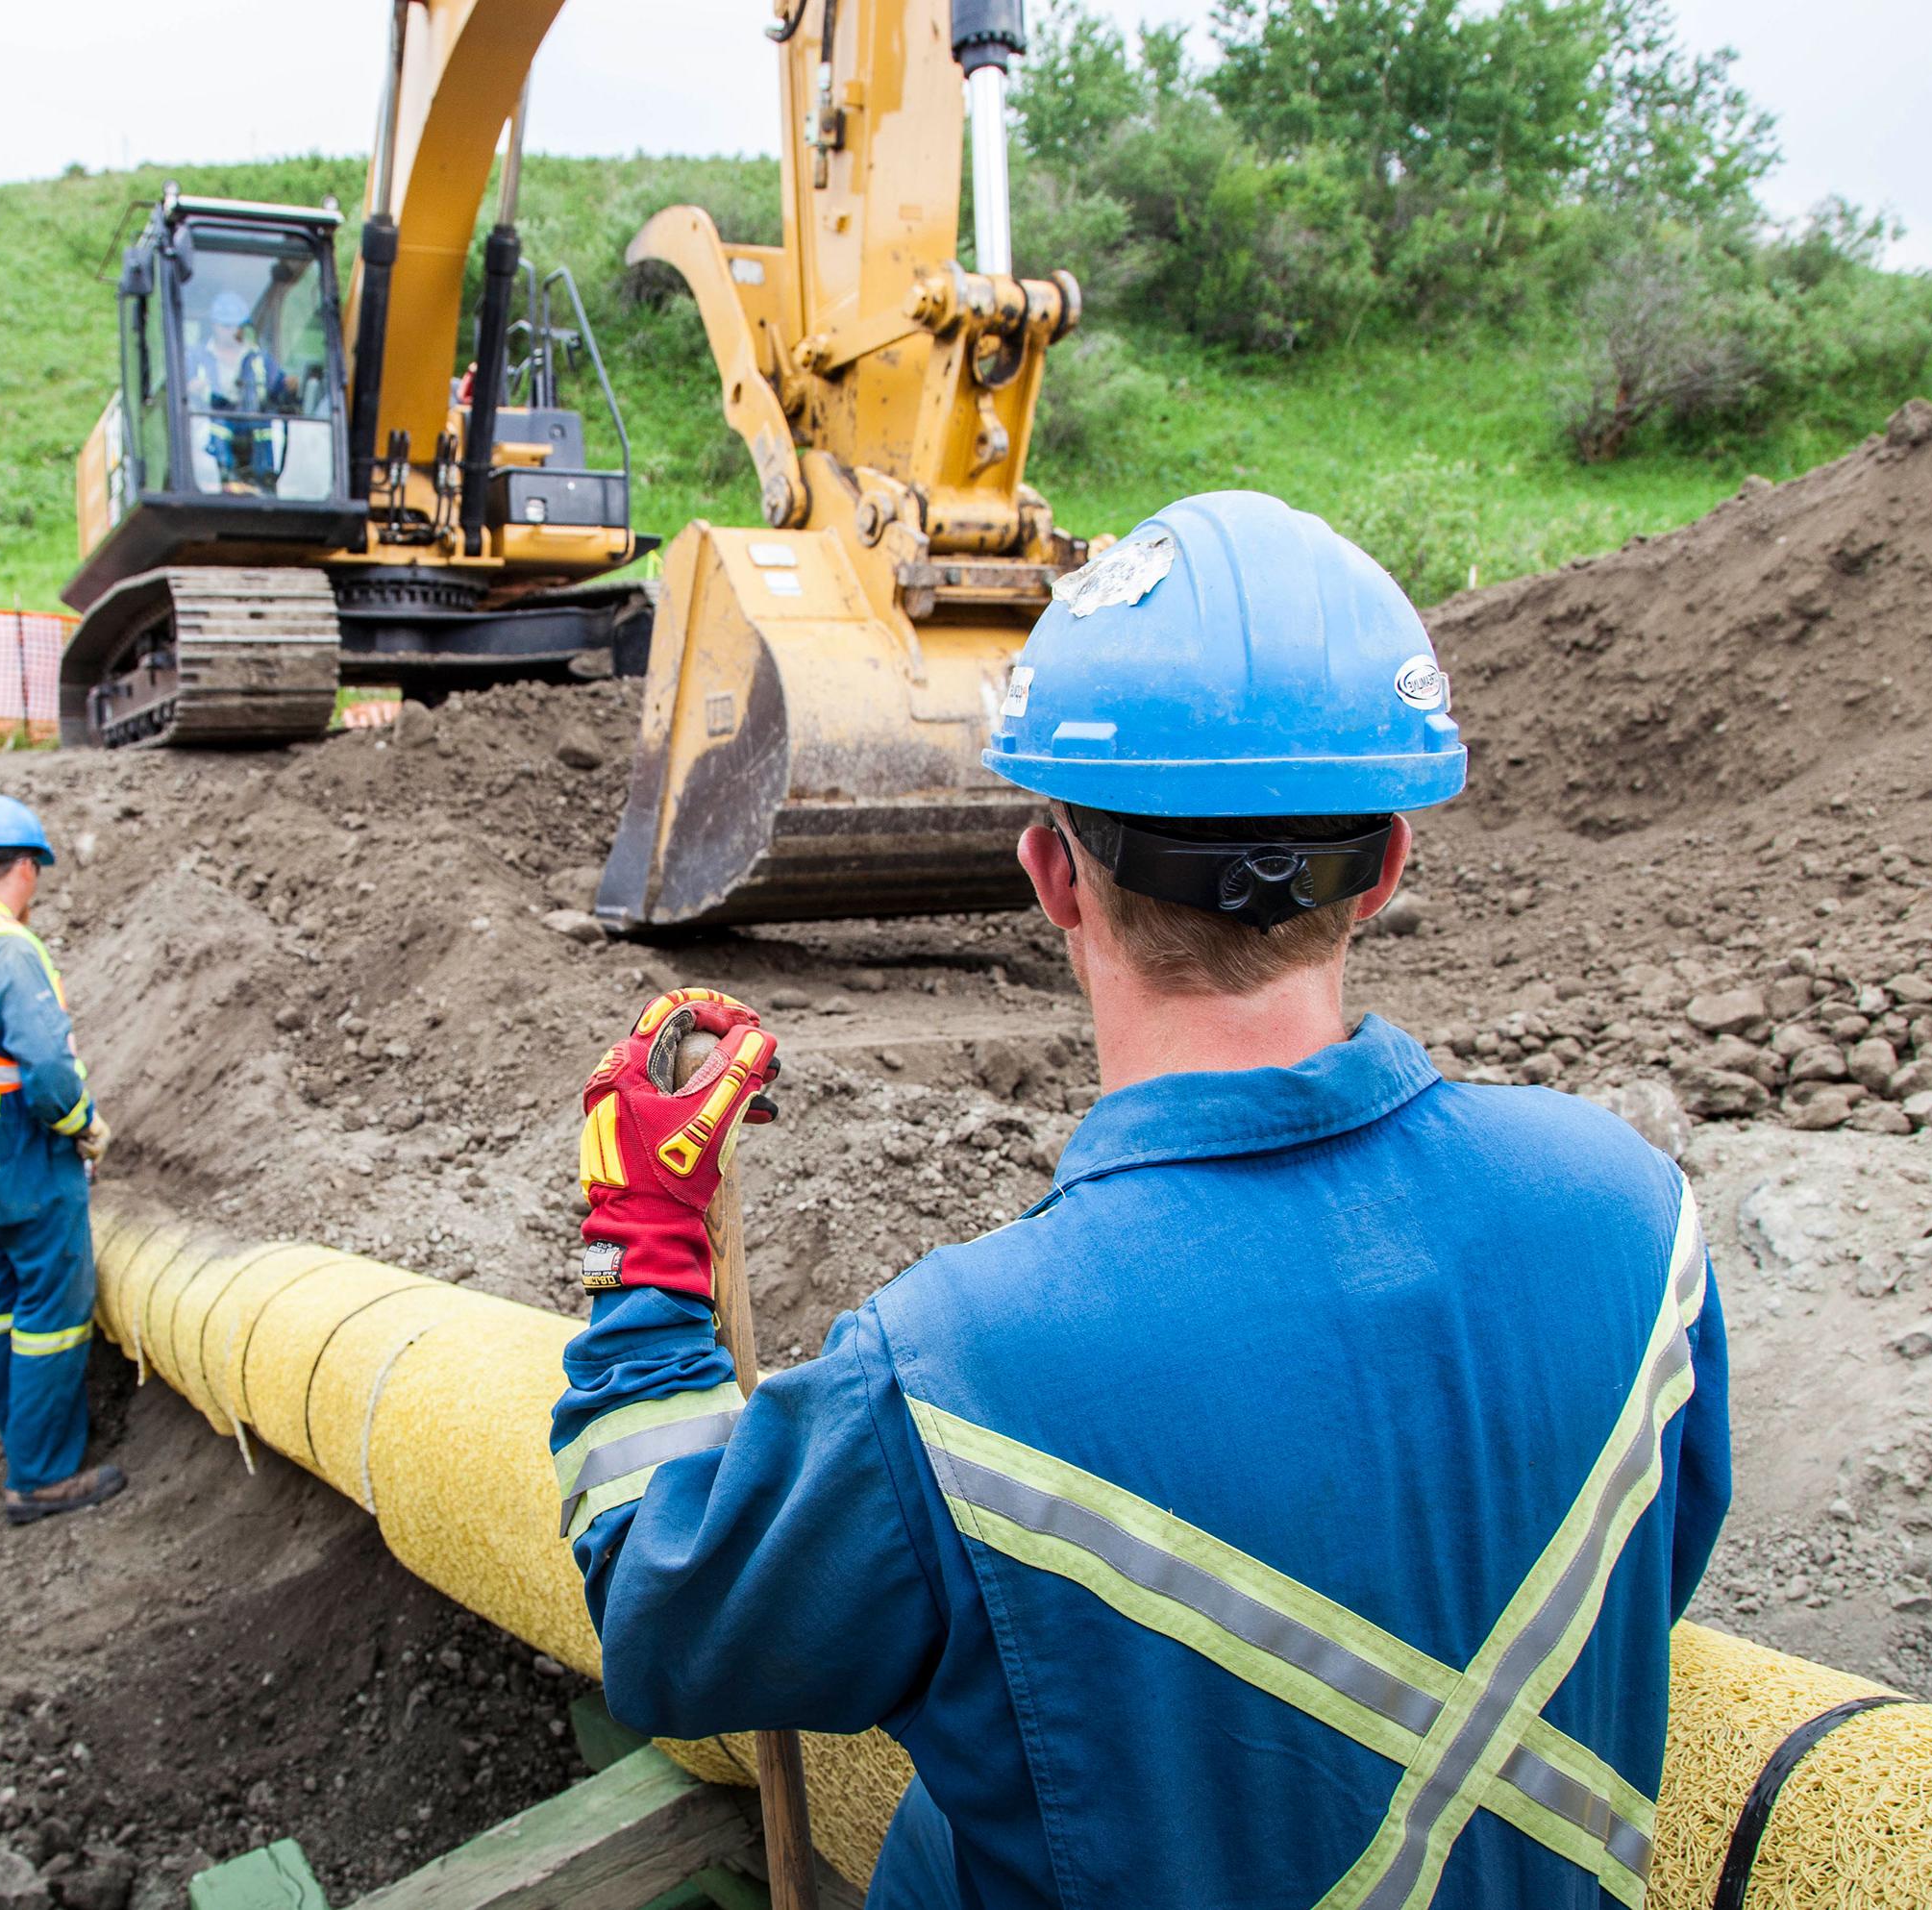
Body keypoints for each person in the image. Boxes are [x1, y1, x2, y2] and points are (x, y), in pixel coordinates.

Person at [551, 491, 1731, 1908]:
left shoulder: (949, 1371)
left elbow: (662, 1618)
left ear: (1050, 873)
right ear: (1389, 869)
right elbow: (1640, 1587)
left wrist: (648, 1264)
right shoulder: (1634, 1222)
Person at [0, 796, 126, 1526]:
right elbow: (43, 1064)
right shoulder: (6, 947)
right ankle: (40, 1476)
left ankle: (20, 1438)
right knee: (54, 1308)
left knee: (2, 1298)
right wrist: (82, 1125)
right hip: (25, 1153)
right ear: (28, 868)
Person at [186, 287, 292, 491]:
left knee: (273, 427)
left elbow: (277, 385)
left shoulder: (258, 357)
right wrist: (191, 387)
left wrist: (287, 384)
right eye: (226, 325)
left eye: (236, 325)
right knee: (214, 428)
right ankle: (223, 476)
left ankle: (266, 479)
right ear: (215, 325)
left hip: (253, 416)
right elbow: (180, 387)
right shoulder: (197, 356)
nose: (232, 331)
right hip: (214, 413)